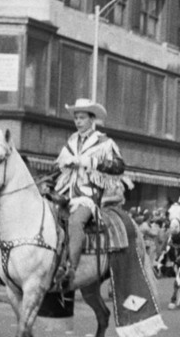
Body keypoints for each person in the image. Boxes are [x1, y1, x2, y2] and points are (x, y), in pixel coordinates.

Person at [54, 98, 128, 287]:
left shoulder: (104, 142)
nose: (78, 121)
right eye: (76, 118)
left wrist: (93, 163)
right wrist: (65, 165)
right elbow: (59, 165)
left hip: (87, 197)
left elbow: (120, 166)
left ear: (91, 119)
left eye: (82, 118)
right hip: (66, 193)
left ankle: (71, 267)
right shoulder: (72, 141)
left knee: (76, 221)